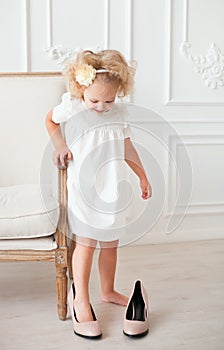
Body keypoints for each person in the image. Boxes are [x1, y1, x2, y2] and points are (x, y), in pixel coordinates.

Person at [45, 49, 152, 338]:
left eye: (109, 100)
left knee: (111, 242)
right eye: (95, 100)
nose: (102, 106)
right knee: (88, 243)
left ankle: (107, 290)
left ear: (119, 93)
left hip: (111, 186)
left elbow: (127, 148)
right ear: (82, 88)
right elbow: (50, 121)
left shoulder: (119, 113)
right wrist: (59, 145)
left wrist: (142, 175)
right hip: (85, 188)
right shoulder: (73, 107)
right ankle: (80, 297)